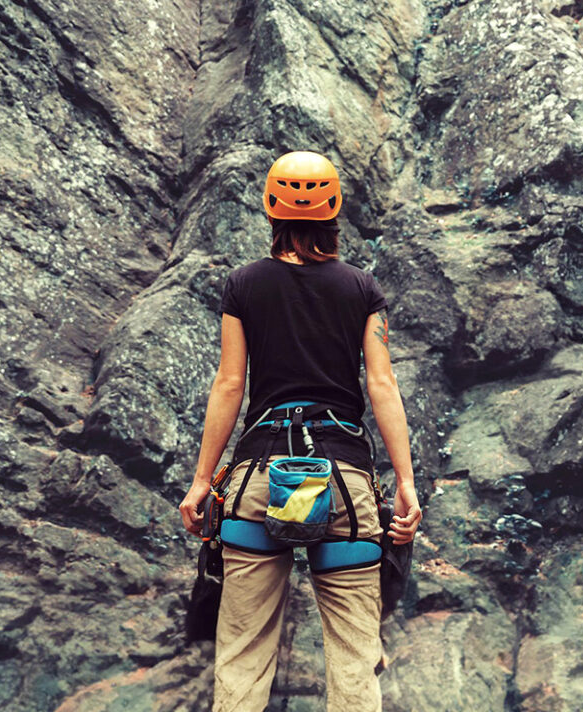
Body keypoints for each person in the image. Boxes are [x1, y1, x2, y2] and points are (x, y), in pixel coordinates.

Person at [179, 150, 421, 712]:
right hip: (344, 486)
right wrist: (405, 481)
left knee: (241, 654)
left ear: (271, 209)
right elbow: (383, 387)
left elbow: (230, 385)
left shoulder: (243, 287)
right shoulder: (363, 291)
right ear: (334, 209)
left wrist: (200, 481)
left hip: (258, 483)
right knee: (356, 659)